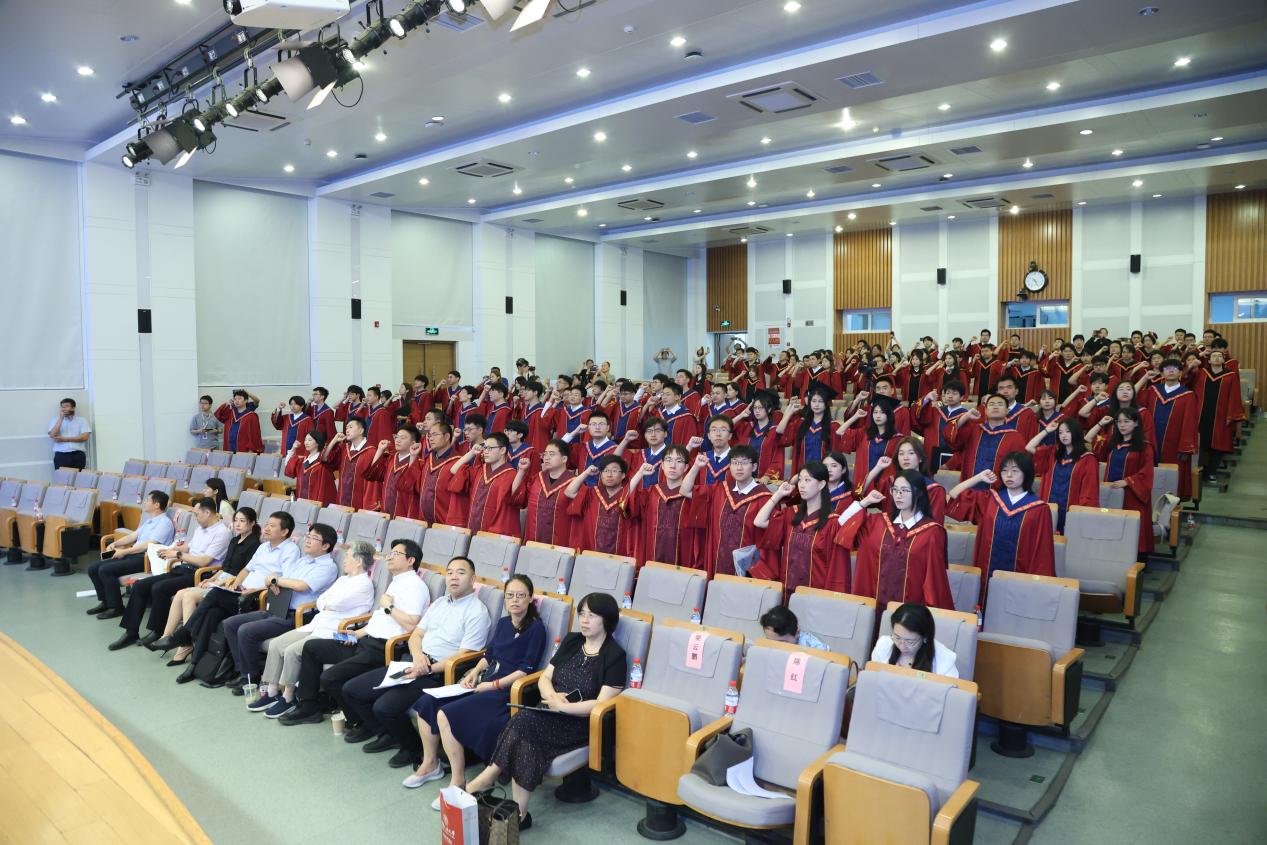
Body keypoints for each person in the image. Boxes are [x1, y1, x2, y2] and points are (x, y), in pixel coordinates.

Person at [463, 592, 626, 831]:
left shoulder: (615, 655)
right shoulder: (572, 641)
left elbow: (601, 704)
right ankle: (520, 815)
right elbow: (545, 678)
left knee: (524, 720)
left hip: (579, 723)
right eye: (582, 614)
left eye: (591, 616)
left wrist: (564, 707)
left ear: (607, 620)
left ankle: (488, 777)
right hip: (548, 713)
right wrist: (552, 698)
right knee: (525, 740)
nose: (584, 620)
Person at [337, 556, 490, 769]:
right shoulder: (440, 603)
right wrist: (418, 657)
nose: (454, 577)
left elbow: (463, 656)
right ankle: (389, 735)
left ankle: (415, 750)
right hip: (413, 662)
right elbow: (416, 635)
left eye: (461, 573)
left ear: (473, 579)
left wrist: (425, 668)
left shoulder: (477, 612)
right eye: (450, 572)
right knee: (352, 690)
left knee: (384, 707)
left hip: (438, 673)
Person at [405, 574, 547, 796]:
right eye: (510, 595)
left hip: (507, 690)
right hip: (485, 681)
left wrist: (492, 685)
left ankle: (458, 780)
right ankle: (430, 763)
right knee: (427, 702)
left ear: (530, 599)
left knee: (445, 714)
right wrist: (473, 672)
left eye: (521, 596)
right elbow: (489, 655)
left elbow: (526, 670)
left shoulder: (536, 628)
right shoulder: (503, 623)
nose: (515, 600)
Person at [280, 539, 428, 725]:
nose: (389, 557)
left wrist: (389, 607)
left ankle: (359, 721)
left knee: (330, 677)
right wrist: (358, 634)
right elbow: (381, 620)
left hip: (383, 648)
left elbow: (412, 625)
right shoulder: (396, 582)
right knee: (311, 647)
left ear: (410, 560)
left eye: (395, 554)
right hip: (365, 641)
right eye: (389, 553)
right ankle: (308, 707)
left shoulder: (415, 586)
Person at [166, 511, 302, 684]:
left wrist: (254, 590)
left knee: (215, 594)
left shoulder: (290, 551)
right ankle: (194, 665)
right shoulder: (263, 547)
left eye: (272, 526)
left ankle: (186, 633)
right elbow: (246, 570)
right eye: (267, 524)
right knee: (211, 614)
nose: (266, 528)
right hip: (241, 592)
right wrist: (236, 584)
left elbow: (282, 583)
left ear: (284, 531)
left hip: (256, 598)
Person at [250, 541, 376, 718]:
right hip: (318, 623)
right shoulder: (343, 579)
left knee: (292, 650)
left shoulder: (364, 584)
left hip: (335, 630)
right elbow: (321, 601)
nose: (344, 560)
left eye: (348, 556)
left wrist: (328, 603)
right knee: (276, 644)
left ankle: (288, 697)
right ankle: (271, 692)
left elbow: (336, 603)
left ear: (359, 561)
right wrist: (327, 604)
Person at [220, 523, 340, 694]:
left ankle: (251, 677)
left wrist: (276, 580)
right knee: (230, 624)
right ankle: (244, 673)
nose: (308, 541)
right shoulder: (303, 560)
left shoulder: (327, 567)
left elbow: (301, 586)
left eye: (314, 538)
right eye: (308, 536)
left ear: (326, 546)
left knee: (246, 631)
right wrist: (273, 581)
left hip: (297, 616)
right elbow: (278, 578)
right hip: (278, 607)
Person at [109, 496, 231, 650]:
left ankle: (158, 631)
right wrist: (171, 549)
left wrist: (177, 554)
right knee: (140, 585)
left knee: (159, 588)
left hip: (200, 574)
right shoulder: (201, 528)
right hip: (185, 568)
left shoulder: (222, 533)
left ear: (207, 513)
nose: (195, 518)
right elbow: (189, 547)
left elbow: (204, 561)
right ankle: (131, 631)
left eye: (197, 514)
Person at [149, 506, 260, 664]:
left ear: (252, 523)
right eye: (236, 520)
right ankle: (166, 637)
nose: (238, 524)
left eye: (242, 521)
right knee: (180, 594)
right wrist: (212, 578)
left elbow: (245, 571)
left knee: (188, 596)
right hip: (221, 578)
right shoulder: (234, 540)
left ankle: (186, 642)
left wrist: (220, 581)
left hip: (232, 583)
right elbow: (224, 567)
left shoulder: (254, 544)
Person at [836, 472, 953, 622]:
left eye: (904, 490)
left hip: (909, 617)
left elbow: (934, 580)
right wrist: (864, 502)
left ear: (919, 493)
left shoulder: (932, 532)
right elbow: (842, 524)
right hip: (872, 611)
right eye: (895, 490)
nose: (898, 495)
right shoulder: (876, 523)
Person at [946, 452, 1056, 607]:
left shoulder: (1039, 509)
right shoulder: (990, 499)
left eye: (1015, 470)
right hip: (986, 577)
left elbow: (1042, 552)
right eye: (1004, 470)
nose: (1009, 475)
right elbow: (952, 496)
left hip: (1020, 581)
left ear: (1027, 473)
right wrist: (978, 477)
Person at [752, 462, 849, 593]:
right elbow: (759, 522)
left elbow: (837, 570)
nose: (802, 485)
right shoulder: (791, 514)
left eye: (807, 480)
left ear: (821, 484)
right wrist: (778, 494)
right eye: (800, 480)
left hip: (815, 594)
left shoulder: (832, 523)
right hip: (787, 591)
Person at [85, 491, 175, 619]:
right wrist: (115, 544)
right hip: (134, 554)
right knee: (93, 568)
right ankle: (105, 602)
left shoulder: (164, 523)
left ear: (156, 505)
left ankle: (116, 607)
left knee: (105, 570)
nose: (145, 502)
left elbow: (148, 545)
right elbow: (133, 536)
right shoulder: (150, 521)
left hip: (146, 559)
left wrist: (124, 552)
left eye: (148, 500)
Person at [685, 445, 771, 578]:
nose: (739, 467)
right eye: (735, 463)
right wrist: (696, 467)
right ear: (729, 466)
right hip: (718, 561)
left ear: (754, 467)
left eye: (744, 463)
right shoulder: (720, 489)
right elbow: (685, 491)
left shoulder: (765, 498)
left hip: (748, 569)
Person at [1087, 408, 1156, 556]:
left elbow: (1147, 471)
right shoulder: (1112, 443)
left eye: (1126, 421)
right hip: (1112, 491)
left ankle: (1136, 560)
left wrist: (1128, 481)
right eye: (1119, 422)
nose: (1122, 425)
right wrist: (1100, 424)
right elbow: (1088, 439)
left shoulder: (1144, 446)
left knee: (1131, 529)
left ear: (1136, 423)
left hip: (1132, 494)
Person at [624, 444, 697, 569]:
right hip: (652, 555)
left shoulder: (692, 495)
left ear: (686, 467)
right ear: (662, 465)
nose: (673, 465)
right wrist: (639, 473)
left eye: (679, 461)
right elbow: (625, 500)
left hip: (682, 559)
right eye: (668, 460)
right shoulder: (652, 492)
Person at [1026, 418, 1099, 533]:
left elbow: (1089, 491)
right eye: (1060, 432)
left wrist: (1082, 515)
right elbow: (1029, 447)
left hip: (1071, 512)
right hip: (1050, 509)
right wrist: (1046, 430)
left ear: (1076, 432)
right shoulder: (1053, 453)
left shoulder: (1088, 459)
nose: (1063, 435)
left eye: (1068, 431)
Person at [1139, 358, 1198, 498]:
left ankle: (1171, 504)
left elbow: (1190, 423)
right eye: (1167, 369)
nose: (1171, 371)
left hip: (1175, 445)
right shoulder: (1153, 391)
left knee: (1171, 477)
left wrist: (1185, 447)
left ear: (1180, 373)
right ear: (1161, 373)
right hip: (1151, 441)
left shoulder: (1188, 395)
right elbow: (1136, 404)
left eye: (1175, 368)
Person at [945, 393, 1029, 486]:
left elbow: (1020, 470)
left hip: (998, 492)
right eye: (991, 404)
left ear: (1007, 411)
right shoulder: (973, 431)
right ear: (985, 410)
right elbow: (949, 437)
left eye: (1000, 404)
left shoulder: (1015, 438)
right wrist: (966, 416)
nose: (995, 407)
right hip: (970, 490)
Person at [449, 432, 523, 536]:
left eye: (490, 448)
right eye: (485, 448)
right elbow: (454, 470)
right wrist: (471, 453)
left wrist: (522, 471)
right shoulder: (480, 470)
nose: (486, 451)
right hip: (473, 529)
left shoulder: (512, 475)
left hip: (496, 533)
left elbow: (516, 499)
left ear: (502, 450)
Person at [862, 436, 947, 523]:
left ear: (920, 458)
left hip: (920, 531)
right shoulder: (889, 483)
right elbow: (861, 497)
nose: (905, 458)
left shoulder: (935, 490)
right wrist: (877, 468)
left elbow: (935, 525)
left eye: (911, 453)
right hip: (889, 530)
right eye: (901, 453)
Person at [1190, 348, 1244, 483]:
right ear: (1208, 360)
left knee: (1220, 443)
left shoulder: (1230, 376)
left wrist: (1231, 415)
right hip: (1200, 414)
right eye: (1214, 356)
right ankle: (1197, 473)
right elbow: (1189, 385)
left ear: (1224, 360)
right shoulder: (1202, 373)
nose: (1217, 358)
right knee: (1199, 442)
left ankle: (1211, 472)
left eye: (1220, 356)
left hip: (1221, 415)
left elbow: (1235, 396)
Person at [565, 455, 633, 555]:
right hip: (591, 553)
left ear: (623, 475)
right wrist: (586, 473)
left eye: (614, 471)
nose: (609, 475)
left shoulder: (628, 496)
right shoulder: (592, 493)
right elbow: (569, 492)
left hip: (618, 556)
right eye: (605, 471)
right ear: (600, 474)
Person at [513, 440, 576, 546]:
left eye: (551, 454)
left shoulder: (574, 483)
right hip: (532, 542)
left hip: (560, 546)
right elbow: (516, 498)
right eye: (545, 454)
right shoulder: (537, 479)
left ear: (564, 459)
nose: (546, 458)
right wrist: (521, 471)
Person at [871, 603, 959, 678]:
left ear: (925, 637)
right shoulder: (884, 645)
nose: (902, 646)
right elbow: (872, 680)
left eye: (909, 641)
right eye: (897, 638)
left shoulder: (944, 660)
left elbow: (949, 692)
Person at [406, 422, 464, 526]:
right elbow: (412, 486)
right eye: (429, 435)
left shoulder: (458, 463)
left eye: (434, 435)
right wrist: (413, 457)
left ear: (447, 436)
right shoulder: (428, 460)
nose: (430, 439)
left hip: (445, 525)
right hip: (424, 523)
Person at [777, 382, 837, 475]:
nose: (816, 404)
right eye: (813, 401)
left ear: (826, 404)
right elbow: (779, 431)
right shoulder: (801, 423)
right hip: (802, 474)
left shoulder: (833, 426)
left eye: (820, 401)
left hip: (823, 475)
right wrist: (790, 412)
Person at [324, 417, 381, 510]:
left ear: (361, 430)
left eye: (350, 427)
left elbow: (374, 484)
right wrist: (334, 440)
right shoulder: (344, 449)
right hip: (342, 502)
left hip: (361, 504)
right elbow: (325, 459)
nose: (347, 430)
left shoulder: (372, 452)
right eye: (346, 428)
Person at [365, 426, 421, 519]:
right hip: (385, 513)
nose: (398, 440)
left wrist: (413, 457)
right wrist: (380, 449)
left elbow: (411, 487)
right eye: (396, 437)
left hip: (405, 515)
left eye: (402, 438)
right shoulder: (390, 459)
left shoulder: (419, 463)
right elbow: (373, 475)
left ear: (413, 443)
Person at [285, 430, 338, 507]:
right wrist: (293, 448)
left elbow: (324, 456)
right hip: (302, 502)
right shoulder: (303, 460)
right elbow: (288, 466)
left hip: (319, 504)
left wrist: (334, 440)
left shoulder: (323, 462)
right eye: (305, 440)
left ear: (318, 442)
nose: (306, 442)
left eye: (309, 440)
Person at [759, 605, 829, 651]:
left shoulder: (812, 645)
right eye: (769, 641)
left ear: (797, 632)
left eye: (781, 642)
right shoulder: (771, 644)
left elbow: (825, 659)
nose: (774, 647)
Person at [214, 389, 263, 453]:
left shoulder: (251, 415)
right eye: (235, 399)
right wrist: (226, 404)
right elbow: (218, 415)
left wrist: (251, 450)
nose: (237, 401)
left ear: (246, 400)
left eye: (239, 398)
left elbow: (254, 435)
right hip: (229, 449)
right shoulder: (230, 413)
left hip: (244, 450)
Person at [48, 398, 91, 470]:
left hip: (78, 454)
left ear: (73, 408)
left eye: (66, 406)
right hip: (61, 455)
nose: (63, 409)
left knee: (79, 476)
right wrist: (61, 419)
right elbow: (52, 435)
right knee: (61, 476)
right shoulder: (55, 420)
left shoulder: (82, 420)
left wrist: (64, 439)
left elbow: (85, 437)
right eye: (62, 407)